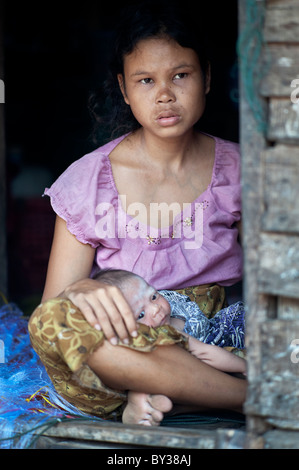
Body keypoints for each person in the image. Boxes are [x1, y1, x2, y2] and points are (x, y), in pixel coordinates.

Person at [28, 1, 246, 427]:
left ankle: (176, 393)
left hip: (214, 340)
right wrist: (80, 292)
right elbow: (54, 307)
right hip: (126, 346)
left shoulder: (244, 170)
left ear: (207, 79)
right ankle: (249, 398)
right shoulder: (86, 181)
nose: (164, 94)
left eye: (180, 75)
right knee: (53, 323)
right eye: (146, 80)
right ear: (125, 90)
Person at [94, 268, 246, 374]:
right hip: (212, 353)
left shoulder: (169, 299)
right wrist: (245, 368)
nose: (155, 309)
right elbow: (206, 352)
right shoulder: (167, 337)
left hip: (218, 327)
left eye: (153, 296)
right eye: (140, 315)